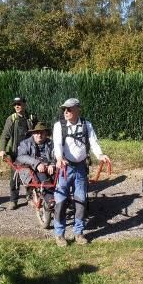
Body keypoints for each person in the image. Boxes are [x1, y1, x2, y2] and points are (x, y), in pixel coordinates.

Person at [53, 98, 110, 247]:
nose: (66, 112)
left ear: (78, 109)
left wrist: (100, 155)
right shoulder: (59, 126)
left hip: (80, 168)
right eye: (64, 109)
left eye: (69, 109)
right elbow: (57, 144)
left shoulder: (86, 125)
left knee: (81, 201)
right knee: (60, 202)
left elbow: (94, 142)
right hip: (64, 168)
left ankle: (79, 233)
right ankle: (60, 234)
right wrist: (59, 158)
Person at [0, 97, 37, 210]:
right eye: (15, 104)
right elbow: (5, 136)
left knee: (31, 175)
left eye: (19, 104)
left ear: (24, 105)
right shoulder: (11, 119)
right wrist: (2, 149)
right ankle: (13, 200)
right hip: (15, 153)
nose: (17, 106)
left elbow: (38, 133)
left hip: (29, 152)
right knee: (15, 177)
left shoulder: (31, 118)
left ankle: (30, 197)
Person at [15, 122, 56, 205]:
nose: (39, 135)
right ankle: (50, 199)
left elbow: (57, 155)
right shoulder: (25, 143)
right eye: (37, 133)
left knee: (57, 177)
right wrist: (37, 164)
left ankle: (61, 198)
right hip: (32, 169)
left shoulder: (51, 143)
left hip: (48, 166)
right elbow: (21, 156)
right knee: (43, 178)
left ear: (46, 134)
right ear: (33, 134)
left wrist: (52, 164)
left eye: (42, 133)